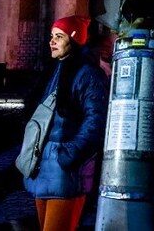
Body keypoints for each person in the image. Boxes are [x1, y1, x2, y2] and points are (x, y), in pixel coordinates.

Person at [23, 15, 109, 231]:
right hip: (44, 167)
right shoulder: (54, 70)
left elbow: (95, 122)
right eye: (52, 36)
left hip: (65, 170)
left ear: (74, 40)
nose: (52, 41)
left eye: (59, 37)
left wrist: (69, 155)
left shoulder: (88, 75)